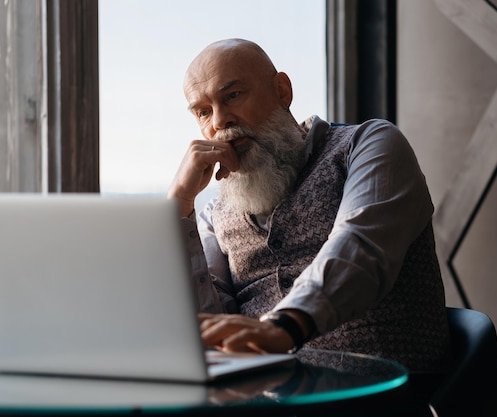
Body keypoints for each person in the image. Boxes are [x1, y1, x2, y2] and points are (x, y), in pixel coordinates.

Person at [168, 38, 450, 373]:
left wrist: (284, 326)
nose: (220, 122)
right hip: (259, 397)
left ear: (282, 91)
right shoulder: (214, 213)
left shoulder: (368, 145)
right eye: (203, 111)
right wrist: (177, 209)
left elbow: (360, 246)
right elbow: (207, 325)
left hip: (378, 393)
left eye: (232, 96)